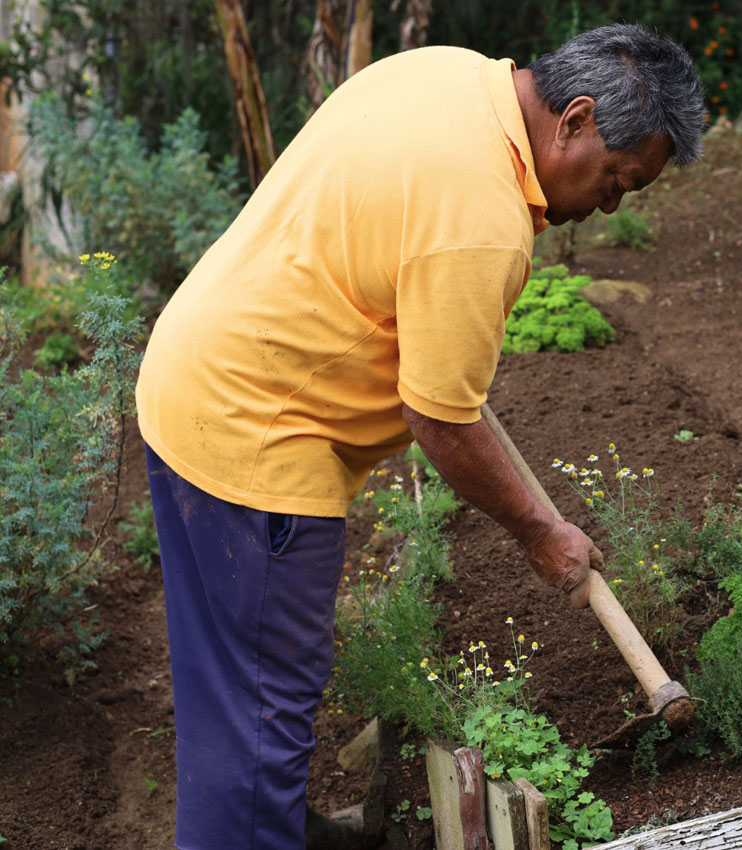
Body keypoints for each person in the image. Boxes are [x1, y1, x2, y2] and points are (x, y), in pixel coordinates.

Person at [134, 23, 704, 849]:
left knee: (235, 685)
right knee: (259, 709)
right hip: (252, 439)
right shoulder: (480, 217)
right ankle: (251, 826)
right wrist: (542, 532)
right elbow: (440, 420)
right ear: (575, 119)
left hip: (198, 371)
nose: (607, 205)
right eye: (616, 179)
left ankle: (277, 821)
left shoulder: (454, 79)